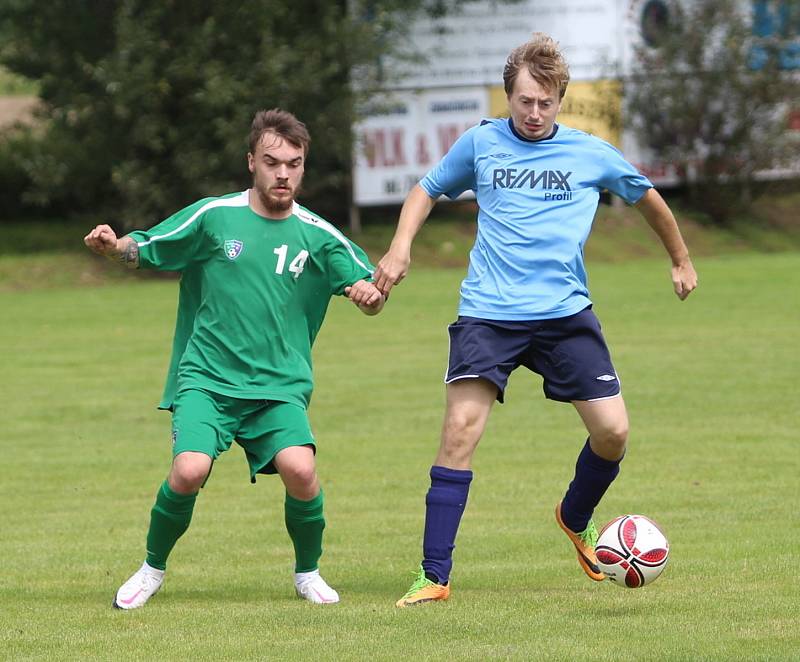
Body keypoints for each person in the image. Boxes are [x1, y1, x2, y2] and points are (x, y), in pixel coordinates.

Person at [374, 33, 697, 607]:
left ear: (560, 99)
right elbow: (425, 190)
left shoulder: (589, 153)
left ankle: (575, 516)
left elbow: (649, 198)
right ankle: (433, 576)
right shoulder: (480, 143)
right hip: (488, 314)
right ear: (509, 97)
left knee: (614, 432)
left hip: (564, 315)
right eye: (525, 101)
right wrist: (400, 247)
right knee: (459, 434)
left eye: (546, 102)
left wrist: (680, 257)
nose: (534, 113)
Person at [85, 108, 385, 609]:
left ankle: (308, 574)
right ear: (252, 161)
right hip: (208, 378)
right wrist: (114, 247)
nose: (284, 173)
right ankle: (151, 569)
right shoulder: (214, 216)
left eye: (294, 163)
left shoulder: (318, 234)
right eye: (273, 162)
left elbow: (364, 284)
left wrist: (369, 296)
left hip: (278, 387)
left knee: (302, 472)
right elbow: (150, 246)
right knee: (188, 471)